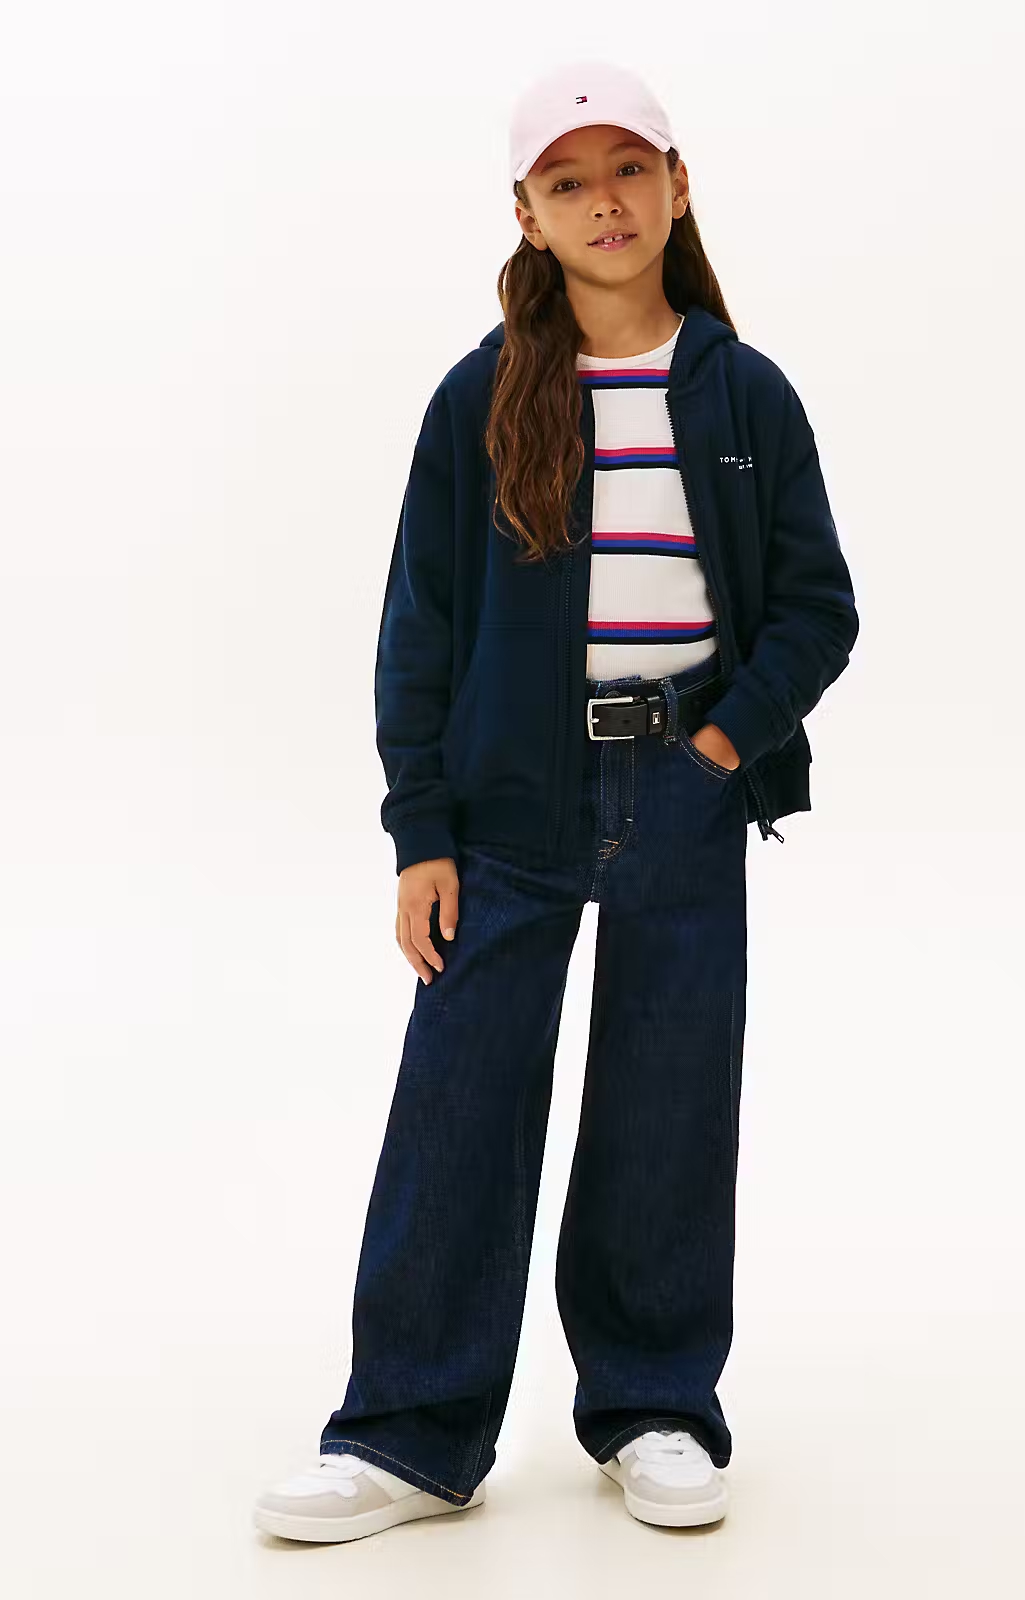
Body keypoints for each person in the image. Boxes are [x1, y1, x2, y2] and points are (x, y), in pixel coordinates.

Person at [254, 57, 858, 1544]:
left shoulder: (743, 393)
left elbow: (816, 608)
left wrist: (720, 750)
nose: (606, 203)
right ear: (525, 213)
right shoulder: (482, 398)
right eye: (569, 181)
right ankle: (408, 1431)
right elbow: (419, 628)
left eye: (631, 170)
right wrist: (421, 833)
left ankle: (654, 1406)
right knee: (458, 1103)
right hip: (508, 803)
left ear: (679, 187)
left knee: (668, 1100)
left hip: (684, 793)